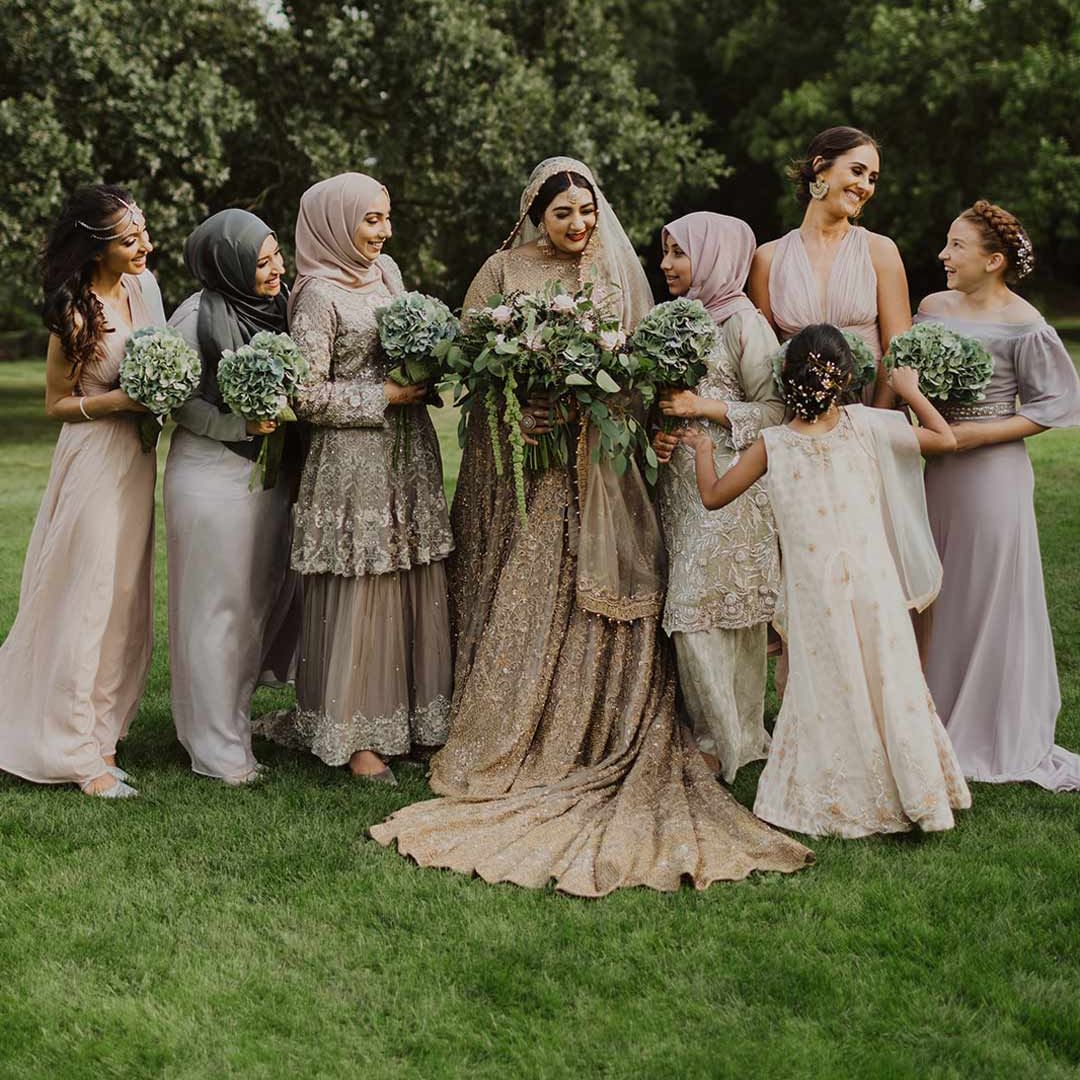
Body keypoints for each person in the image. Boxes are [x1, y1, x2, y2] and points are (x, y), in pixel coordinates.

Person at [371, 158, 813, 895]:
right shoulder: (501, 270)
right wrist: (522, 402)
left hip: (592, 462)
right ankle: (502, 723)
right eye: (562, 214)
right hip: (523, 463)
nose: (578, 225)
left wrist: (601, 405)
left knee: (582, 582)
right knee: (522, 582)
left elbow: (636, 376)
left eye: (586, 212)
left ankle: (590, 726)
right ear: (535, 216)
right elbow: (473, 369)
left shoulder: (614, 271)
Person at [682, 324, 971, 838]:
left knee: (831, 678)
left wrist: (704, 450)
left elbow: (713, 496)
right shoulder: (866, 425)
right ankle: (913, 786)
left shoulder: (773, 445)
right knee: (886, 674)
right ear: (845, 379)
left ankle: (849, 785)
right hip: (872, 583)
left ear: (787, 377)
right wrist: (909, 391)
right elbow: (944, 439)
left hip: (816, 591)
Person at [253, 173, 453, 784]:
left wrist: (429, 365)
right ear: (336, 222)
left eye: (386, 217)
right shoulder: (315, 294)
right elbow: (305, 396)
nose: (384, 231)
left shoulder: (388, 272)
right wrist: (384, 395)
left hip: (409, 453)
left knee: (409, 577)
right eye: (371, 219)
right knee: (364, 586)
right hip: (351, 463)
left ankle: (410, 722)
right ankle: (356, 734)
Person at [0, 185, 164, 797]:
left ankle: (102, 736)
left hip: (137, 462)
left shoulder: (143, 289)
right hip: (94, 458)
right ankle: (75, 755)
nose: (145, 245)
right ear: (97, 248)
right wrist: (118, 401)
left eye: (143, 232)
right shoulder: (76, 313)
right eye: (130, 239)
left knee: (124, 598)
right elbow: (55, 404)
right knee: (87, 598)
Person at [917, 200, 1080, 790]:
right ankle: (927, 715)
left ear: (994, 261)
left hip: (991, 474)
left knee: (985, 592)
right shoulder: (931, 308)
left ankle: (987, 724)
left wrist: (975, 434)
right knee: (935, 587)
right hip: (935, 468)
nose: (943, 254)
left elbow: (1053, 406)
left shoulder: (1024, 322)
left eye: (956, 246)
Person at [164, 209, 302, 786]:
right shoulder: (195, 315)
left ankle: (231, 726)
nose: (277, 269)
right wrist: (238, 424)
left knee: (250, 611)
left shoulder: (284, 306)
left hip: (268, 481)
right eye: (262, 262)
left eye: (277, 255)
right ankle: (215, 748)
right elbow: (175, 400)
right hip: (211, 477)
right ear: (228, 264)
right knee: (214, 612)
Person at [650, 212, 784, 781]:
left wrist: (701, 407)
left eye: (679, 253)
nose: (666, 264)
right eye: (665, 252)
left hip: (733, 489)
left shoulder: (745, 324)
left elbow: (777, 412)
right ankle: (715, 731)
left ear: (714, 257)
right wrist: (657, 434)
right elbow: (658, 404)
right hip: (678, 491)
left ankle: (728, 738)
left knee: (714, 615)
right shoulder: (667, 323)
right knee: (695, 613)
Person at [748, 126, 911, 406]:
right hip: (798, 416)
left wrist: (877, 420)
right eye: (857, 171)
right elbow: (764, 357)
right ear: (820, 167)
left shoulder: (880, 251)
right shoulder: (767, 259)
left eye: (872, 179)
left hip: (870, 410)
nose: (866, 186)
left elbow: (897, 348)